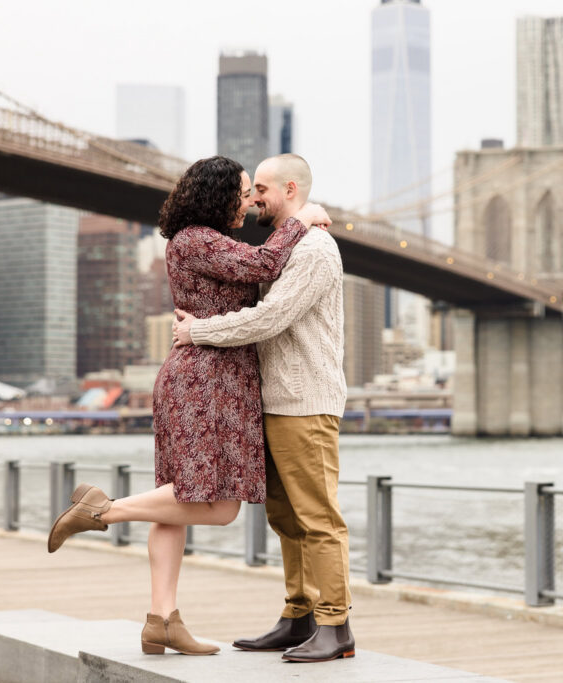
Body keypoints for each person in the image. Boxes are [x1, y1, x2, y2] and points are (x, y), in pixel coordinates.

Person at [46, 155, 329, 656]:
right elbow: (264, 264)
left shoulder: (201, 241)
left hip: (205, 376)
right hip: (208, 381)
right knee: (219, 507)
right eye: (243, 192)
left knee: (174, 505)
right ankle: (102, 510)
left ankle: (162, 620)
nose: (249, 201)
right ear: (218, 194)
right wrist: (302, 220)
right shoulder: (196, 239)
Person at [172, 153, 353, 663]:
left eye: (262, 190)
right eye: (250, 192)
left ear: (290, 189)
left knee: (317, 517)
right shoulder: (286, 244)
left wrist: (197, 332)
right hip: (273, 403)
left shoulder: (315, 248)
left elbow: (270, 318)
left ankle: (335, 625)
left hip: (306, 404)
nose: (252, 200)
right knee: (285, 517)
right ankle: (298, 615)